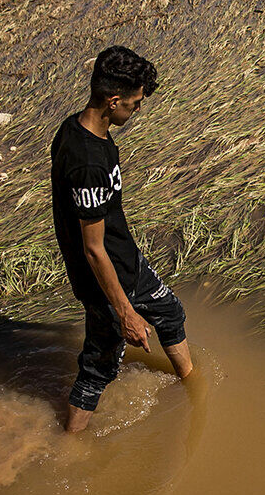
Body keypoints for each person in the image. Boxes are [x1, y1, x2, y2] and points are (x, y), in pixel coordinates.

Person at [51, 45, 194, 433]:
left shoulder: (73, 128)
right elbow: (93, 249)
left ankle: (194, 390)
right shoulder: (88, 162)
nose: (137, 110)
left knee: (170, 314)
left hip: (125, 261)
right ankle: (70, 445)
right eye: (134, 104)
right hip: (108, 277)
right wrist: (125, 312)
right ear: (113, 100)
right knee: (100, 364)